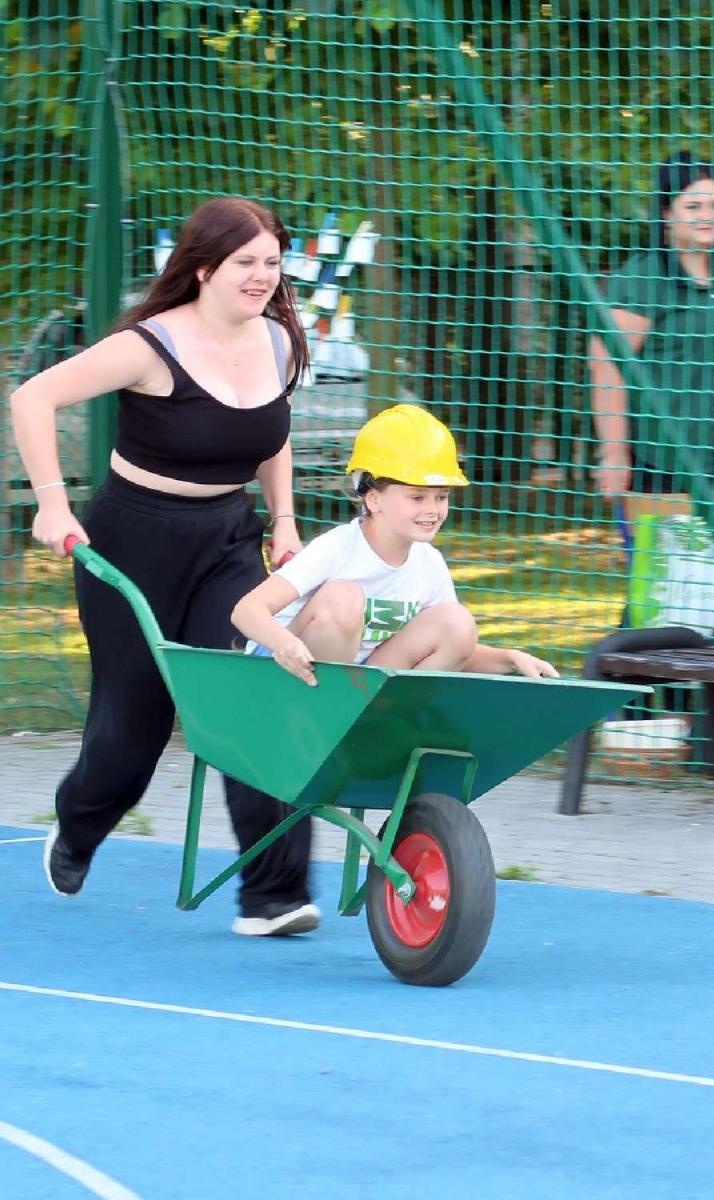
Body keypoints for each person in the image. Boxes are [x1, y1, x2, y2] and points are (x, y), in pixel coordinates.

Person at [9, 196, 319, 934]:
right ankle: (80, 825)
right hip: (133, 542)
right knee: (131, 736)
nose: (262, 277)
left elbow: (268, 433)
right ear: (204, 267)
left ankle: (273, 892)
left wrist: (283, 522)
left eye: (272, 263)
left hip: (226, 541)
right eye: (246, 263)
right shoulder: (150, 346)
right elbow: (33, 397)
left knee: (253, 686)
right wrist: (53, 504)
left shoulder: (276, 340)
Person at [231, 404, 559, 685]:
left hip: (354, 679)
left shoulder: (428, 564)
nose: (432, 509)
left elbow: (456, 649)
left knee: (456, 623)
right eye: (417, 497)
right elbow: (247, 611)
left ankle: (373, 724)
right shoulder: (339, 548)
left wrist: (511, 658)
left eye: (441, 497)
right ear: (373, 499)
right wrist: (285, 643)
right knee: (343, 597)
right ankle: (324, 721)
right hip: (284, 676)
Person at [589, 151, 714, 518]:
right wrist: (614, 452)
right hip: (665, 450)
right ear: (667, 212)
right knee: (670, 566)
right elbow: (606, 365)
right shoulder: (643, 277)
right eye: (694, 205)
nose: (708, 215)